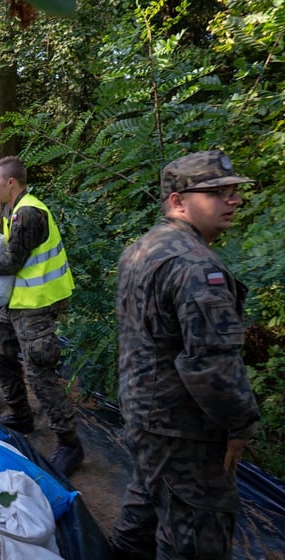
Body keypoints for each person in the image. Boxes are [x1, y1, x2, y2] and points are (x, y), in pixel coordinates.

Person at [109, 150, 260, 560]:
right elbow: (210, 364)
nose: (233, 200)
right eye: (216, 192)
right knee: (194, 536)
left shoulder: (141, 248)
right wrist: (240, 424)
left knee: (146, 500)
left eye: (232, 191)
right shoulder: (196, 266)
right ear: (178, 202)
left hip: (144, 411)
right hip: (183, 426)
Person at [0, 156, 81, 475]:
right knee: (0, 353)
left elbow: (11, 262)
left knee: (39, 371)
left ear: (11, 182)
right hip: (18, 300)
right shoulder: (13, 210)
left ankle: (69, 443)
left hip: (38, 302)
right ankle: (21, 414)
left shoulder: (27, 212)